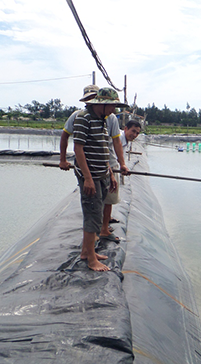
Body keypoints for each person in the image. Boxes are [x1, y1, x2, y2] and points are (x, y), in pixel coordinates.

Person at [72, 87, 128, 271]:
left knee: (96, 213)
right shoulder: (84, 118)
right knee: (92, 213)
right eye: (111, 106)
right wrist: (88, 179)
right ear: (101, 105)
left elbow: (104, 149)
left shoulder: (101, 120)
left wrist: (110, 173)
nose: (113, 111)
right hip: (91, 175)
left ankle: (88, 251)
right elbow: (78, 148)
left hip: (101, 173)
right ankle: (90, 260)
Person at [99, 119, 142, 241]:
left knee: (109, 198)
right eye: (133, 131)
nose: (134, 135)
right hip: (108, 168)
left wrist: (121, 166)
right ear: (125, 129)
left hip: (112, 167)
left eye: (137, 133)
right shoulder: (118, 138)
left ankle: (106, 219)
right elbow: (106, 153)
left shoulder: (125, 141)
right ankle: (104, 229)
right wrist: (113, 171)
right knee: (109, 197)